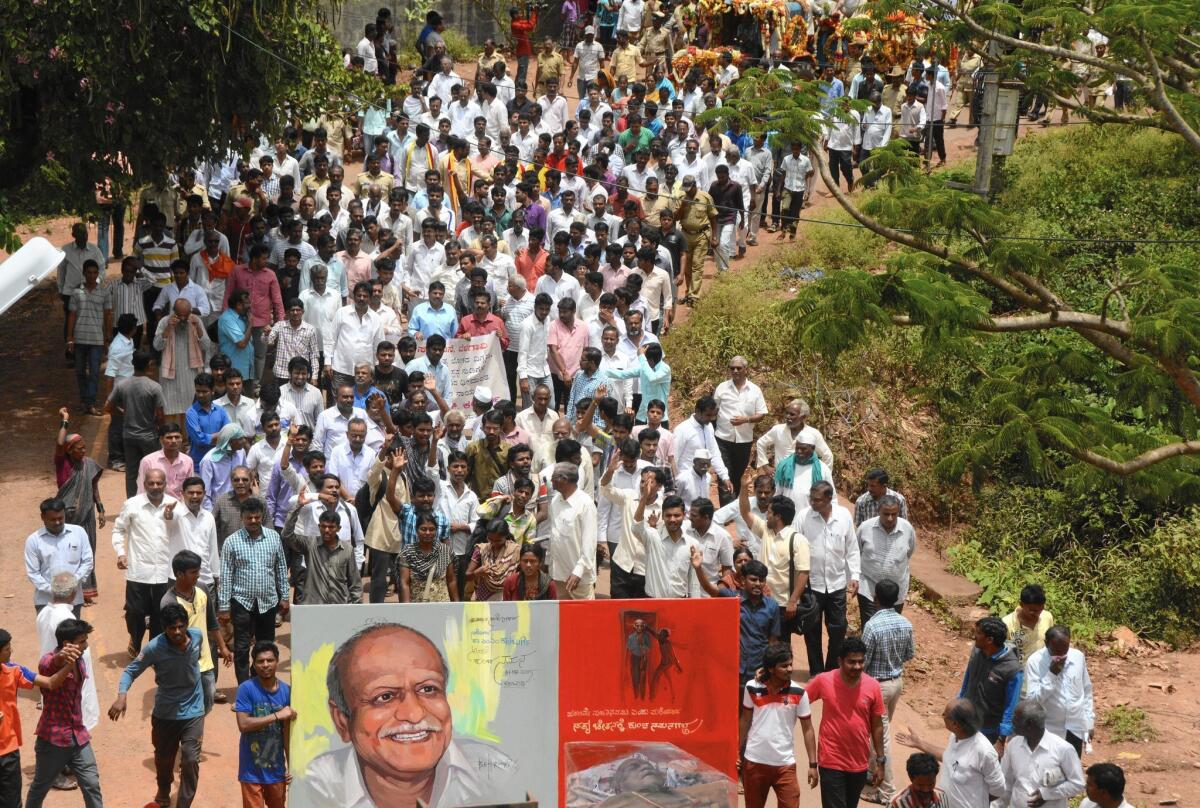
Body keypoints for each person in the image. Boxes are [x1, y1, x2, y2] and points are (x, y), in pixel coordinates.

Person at [297, 623, 517, 806]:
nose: (414, 714)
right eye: (384, 697)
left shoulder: (497, 775)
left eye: (428, 689)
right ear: (342, 721)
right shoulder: (317, 787)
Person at [109, 604, 206, 808]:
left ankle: (183, 804)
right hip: (166, 714)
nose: (177, 632)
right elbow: (130, 671)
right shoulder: (155, 647)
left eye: (181, 626)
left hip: (194, 711)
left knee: (190, 759)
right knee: (164, 759)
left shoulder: (197, 636)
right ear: (164, 628)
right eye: (172, 628)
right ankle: (163, 789)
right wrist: (121, 696)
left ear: (187, 624)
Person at [803, 637, 887, 808]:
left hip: (859, 763)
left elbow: (877, 725)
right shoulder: (824, 680)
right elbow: (799, 699)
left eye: (861, 662)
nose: (857, 666)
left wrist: (880, 761)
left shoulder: (873, 686)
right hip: (830, 759)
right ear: (840, 661)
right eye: (851, 662)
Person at [25, 620, 99, 808]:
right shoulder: (48, 661)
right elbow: (51, 669)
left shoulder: (80, 660)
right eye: (82, 641)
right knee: (41, 787)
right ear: (67, 645)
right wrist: (65, 662)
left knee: (91, 784)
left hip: (78, 736)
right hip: (53, 740)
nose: (86, 645)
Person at [219, 498, 291, 683]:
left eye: (257, 517)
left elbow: (281, 568)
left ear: (262, 516)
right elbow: (226, 575)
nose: (253, 521)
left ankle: (258, 681)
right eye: (249, 517)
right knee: (242, 647)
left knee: (265, 646)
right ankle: (244, 688)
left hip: (268, 602)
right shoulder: (231, 542)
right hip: (242, 601)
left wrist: (284, 596)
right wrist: (224, 606)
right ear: (242, 517)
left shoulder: (274, 537)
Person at [739, 642, 818, 808]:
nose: (789, 669)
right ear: (770, 668)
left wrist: (813, 764)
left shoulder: (799, 692)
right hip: (754, 763)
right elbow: (745, 721)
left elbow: (808, 730)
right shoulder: (752, 688)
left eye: (790, 664)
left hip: (785, 765)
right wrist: (737, 753)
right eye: (784, 666)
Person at [896, 699, 1007, 808]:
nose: (942, 716)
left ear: (955, 724)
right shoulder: (956, 736)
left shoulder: (984, 751)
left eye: (945, 715)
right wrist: (920, 744)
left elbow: (999, 789)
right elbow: (949, 757)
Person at [861, 579, 915, 804]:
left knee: (880, 737)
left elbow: (862, 661)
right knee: (878, 733)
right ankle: (872, 774)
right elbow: (909, 654)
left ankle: (887, 792)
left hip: (877, 687)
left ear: (875, 598)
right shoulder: (906, 623)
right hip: (896, 684)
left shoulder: (872, 625)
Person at [797, 480, 858, 674]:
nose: (813, 503)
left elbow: (852, 548)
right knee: (812, 631)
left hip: (837, 584)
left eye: (817, 500)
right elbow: (794, 547)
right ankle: (816, 672)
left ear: (829, 499)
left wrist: (855, 575)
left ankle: (831, 670)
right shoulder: (803, 517)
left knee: (838, 629)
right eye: (811, 499)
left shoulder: (844, 516)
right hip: (811, 585)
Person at [112, 468, 174, 656]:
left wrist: (172, 519)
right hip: (138, 569)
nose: (155, 487)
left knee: (160, 612)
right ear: (144, 484)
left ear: (165, 484)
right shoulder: (132, 504)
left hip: (165, 570)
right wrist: (121, 553)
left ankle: (153, 649)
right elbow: (118, 529)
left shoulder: (174, 505)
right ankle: (136, 638)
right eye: (151, 483)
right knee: (135, 611)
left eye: (159, 483)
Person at [161, 549, 230, 712]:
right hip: (183, 666)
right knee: (186, 708)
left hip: (206, 662)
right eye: (193, 572)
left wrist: (223, 647)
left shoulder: (203, 589)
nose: (198, 575)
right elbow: (170, 637)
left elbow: (212, 623)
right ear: (179, 574)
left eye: (198, 571)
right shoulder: (169, 601)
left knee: (207, 704)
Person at [35, 573, 101, 736]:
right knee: (73, 724)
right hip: (68, 680)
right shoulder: (66, 617)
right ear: (73, 592)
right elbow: (77, 654)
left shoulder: (44, 613)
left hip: (54, 675)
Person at [235, 641, 293, 808]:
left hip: (277, 772)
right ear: (253, 664)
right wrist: (278, 715)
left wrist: (292, 767)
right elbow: (243, 724)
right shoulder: (246, 689)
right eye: (260, 661)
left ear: (277, 661)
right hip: (250, 772)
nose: (265, 665)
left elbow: (288, 734)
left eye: (270, 660)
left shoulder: (287, 692)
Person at [1024, 625, 1094, 756]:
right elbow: (1032, 701)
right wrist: (1051, 675)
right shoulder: (1035, 662)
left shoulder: (1078, 657)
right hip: (1049, 731)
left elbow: (1086, 691)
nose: (1062, 655)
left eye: (1065, 649)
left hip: (1075, 729)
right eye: (1056, 651)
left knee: (1071, 771)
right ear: (1046, 644)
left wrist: (1089, 722)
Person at [1000, 701, 1085, 808]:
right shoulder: (1014, 745)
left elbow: (1078, 784)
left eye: (1016, 719)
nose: (1012, 723)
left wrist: (1047, 795)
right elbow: (1006, 782)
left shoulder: (1063, 749)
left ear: (1029, 724)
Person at [106, 349, 167, 496]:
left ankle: (131, 503)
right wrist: (162, 431)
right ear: (149, 365)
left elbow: (108, 407)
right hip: (148, 436)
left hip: (128, 436)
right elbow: (160, 415)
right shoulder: (154, 387)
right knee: (153, 470)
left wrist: (123, 413)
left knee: (131, 472)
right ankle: (153, 499)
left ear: (133, 364)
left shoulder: (122, 384)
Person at [25, 497, 94, 618]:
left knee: (73, 636)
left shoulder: (79, 533)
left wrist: (72, 584)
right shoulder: (34, 540)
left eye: (60, 518)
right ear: (43, 518)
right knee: (49, 635)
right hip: (46, 601)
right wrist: (54, 590)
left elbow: (87, 562)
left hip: (73, 600)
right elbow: (33, 573)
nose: (57, 522)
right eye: (52, 519)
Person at [959, 616, 1022, 745]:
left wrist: (1001, 739)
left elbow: (1011, 705)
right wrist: (958, 703)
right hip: (966, 720)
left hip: (988, 730)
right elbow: (968, 679)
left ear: (989, 640)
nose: (974, 636)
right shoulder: (977, 651)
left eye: (978, 633)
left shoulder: (1012, 669)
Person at [282, 506, 363, 605]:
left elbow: (355, 582)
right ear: (319, 526)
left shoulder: (347, 549)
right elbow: (287, 536)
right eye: (323, 526)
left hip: (339, 605)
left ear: (338, 528)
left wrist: (357, 605)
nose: (327, 530)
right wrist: (297, 507)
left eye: (331, 527)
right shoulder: (310, 544)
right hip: (313, 606)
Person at [713, 356, 768, 497]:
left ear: (746, 370)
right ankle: (726, 509)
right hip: (722, 438)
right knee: (724, 473)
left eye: (739, 368)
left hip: (744, 440)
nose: (735, 371)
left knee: (738, 475)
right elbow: (713, 410)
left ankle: (735, 506)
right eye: (732, 368)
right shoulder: (722, 388)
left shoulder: (755, 390)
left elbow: (762, 413)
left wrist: (746, 419)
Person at [856, 495, 916, 624]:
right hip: (869, 590)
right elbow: (857, 552)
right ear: (878, 512)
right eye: (886, 514)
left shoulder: (907, 529)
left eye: (894, 514)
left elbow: (909, 552)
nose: (890, 518)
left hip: (895, 593)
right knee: (869, 626)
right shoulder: (865, 528)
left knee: (891, 627)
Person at [153, 298, 212, 424]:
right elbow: (157, 346)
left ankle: (187, 440)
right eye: (180, 316)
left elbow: (206, 346)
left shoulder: (196, 321)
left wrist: (198, 329)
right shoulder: (164, 321)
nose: (184, 319)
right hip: (169, 374)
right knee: (170, 408)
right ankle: (172, 437)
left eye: (186, 315)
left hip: (190, 373)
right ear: (174, 312)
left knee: (190, 409)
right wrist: (168, 328)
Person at [548, 462, 600, 599]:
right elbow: (554, 537)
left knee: (584, 617)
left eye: (554, 477)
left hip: (579, 578)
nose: (551, 480)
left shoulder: (585, 504)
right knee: (562, 617)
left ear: (564, 480)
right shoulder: (555, 502)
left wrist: (578, 571)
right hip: (558, 574)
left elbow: (589, 543)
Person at [398, 511, 459, 603]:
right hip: (418, 606)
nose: (427, 533)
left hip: (442, 605)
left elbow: (451, 580)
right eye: (423, 529)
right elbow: (404, 583)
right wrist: (407, 607)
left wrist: (456, 604)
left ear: (436, 531)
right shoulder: (408, 552)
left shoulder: (445, 551)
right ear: (416, 530)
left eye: (431, 529)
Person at [465, 519, 521, 601]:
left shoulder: (515, 550)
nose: (494, 543)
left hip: (507, 596)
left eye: (498, 541)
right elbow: (467, 575)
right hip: (483, 598)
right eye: (490, 539)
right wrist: (477, 573)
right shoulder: (481, 549)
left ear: (506, 536)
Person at [1003, 584, 1054, 671]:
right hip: (1019, 672)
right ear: (1021, 604)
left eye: (1040, 610)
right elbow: (1003, 654)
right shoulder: (1007, 623)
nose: (1037, 614)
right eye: (1032, 611)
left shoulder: (1047, 617)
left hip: (1043, 670)